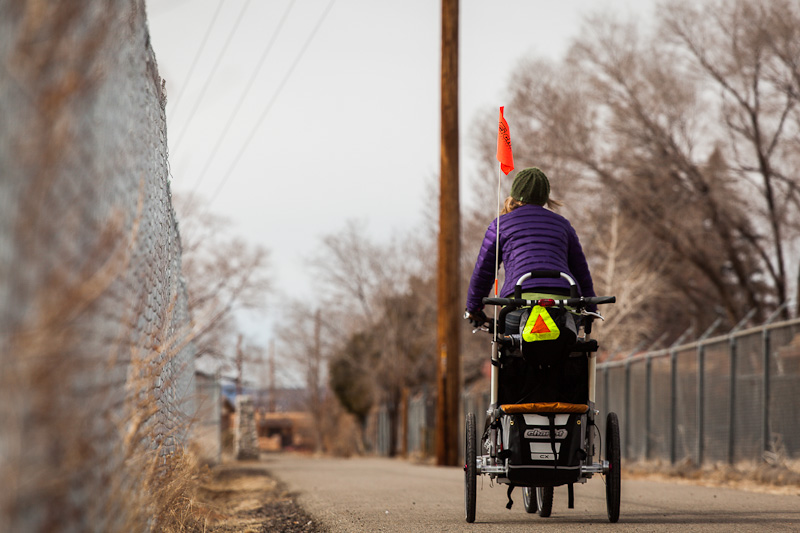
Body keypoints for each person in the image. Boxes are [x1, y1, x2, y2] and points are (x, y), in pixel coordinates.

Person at [465, 167, 596, 327]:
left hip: (519, 304)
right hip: (564, 302)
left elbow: (483, 272)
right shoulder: (563, 225)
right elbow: (581, 271)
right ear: (544, 197)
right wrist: (591, 308)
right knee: (570, 346)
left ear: (514, 193)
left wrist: (474, 307)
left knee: (510, 346)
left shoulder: (500, 225)